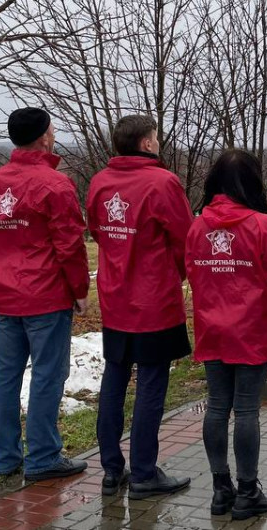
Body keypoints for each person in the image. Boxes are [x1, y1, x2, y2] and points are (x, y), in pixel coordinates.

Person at [185, 149, 267, 520]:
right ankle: (248, 491)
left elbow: (194, 275)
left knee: (217, 405)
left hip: (212, 326)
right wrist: (265, 306)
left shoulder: (197, 228)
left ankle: (221, 489)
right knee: (247, 409)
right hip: (253, 328)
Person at [0, 107, 90, 482]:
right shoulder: (55, 185)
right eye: (52, 129)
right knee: (47, 376)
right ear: (43, 136)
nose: (54, 133)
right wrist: (79, 290)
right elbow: (70, 245)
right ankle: (43, 457)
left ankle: (5, 457)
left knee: (6, 378)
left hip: (6, 297)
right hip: (46, 297)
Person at [85, 115, 194, 500]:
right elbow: (186, 238)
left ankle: (111, 470)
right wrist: (176, 273)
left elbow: (97, 231)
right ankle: (144, 472)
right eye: (156, 138)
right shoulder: (163, 182)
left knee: (114, 379)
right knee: (151, 385)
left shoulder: (99, 182)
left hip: (115, 297)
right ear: (147, 143)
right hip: (154, 301)